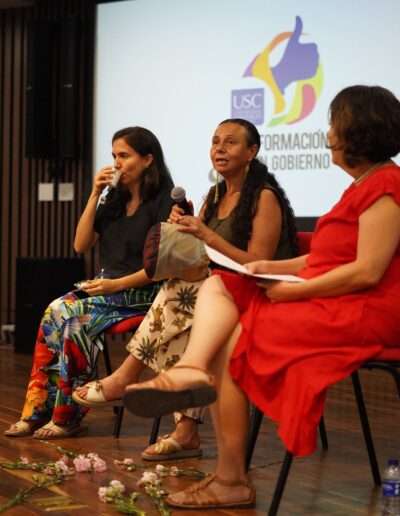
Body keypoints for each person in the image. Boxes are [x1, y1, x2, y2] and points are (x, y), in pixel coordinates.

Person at [122, 85, 400, 509]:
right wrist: (270, 267)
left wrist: (295, 290)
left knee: (236, 338)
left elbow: (367, 271)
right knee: (225, 290)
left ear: (359, 130)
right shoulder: (364, 184)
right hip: (337, 296)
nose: (328, 134)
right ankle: (201, 394)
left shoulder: (387, 185)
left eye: (334, 124)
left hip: (367, 308)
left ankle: (230, 474)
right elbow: (324, 257)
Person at [73, 118, 298, 460]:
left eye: (230, 142)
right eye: (215, 141)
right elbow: (199, 255)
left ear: (252, 151)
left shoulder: (264, 197)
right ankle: (185, 430)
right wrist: (180, 234)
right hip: (217, 295)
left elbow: (258, 264)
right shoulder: (215, 195)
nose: (219, 149)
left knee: (185, 295)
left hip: (261, 295)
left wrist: (206, 235)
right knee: (186, 302)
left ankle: (128, 378)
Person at [4, 126, 174, 439]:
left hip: (142, 292)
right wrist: (95, 195)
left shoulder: (164, 202)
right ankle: (37, 410)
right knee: (53, 310)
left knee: (73, 319)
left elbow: (162, 267)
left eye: (125, 155)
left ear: (148, 159)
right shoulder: (114, 199)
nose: (117, 162)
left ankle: (68, 416)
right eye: (114, 155)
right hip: (106, 287)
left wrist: (116, 285)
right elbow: (80, 245)